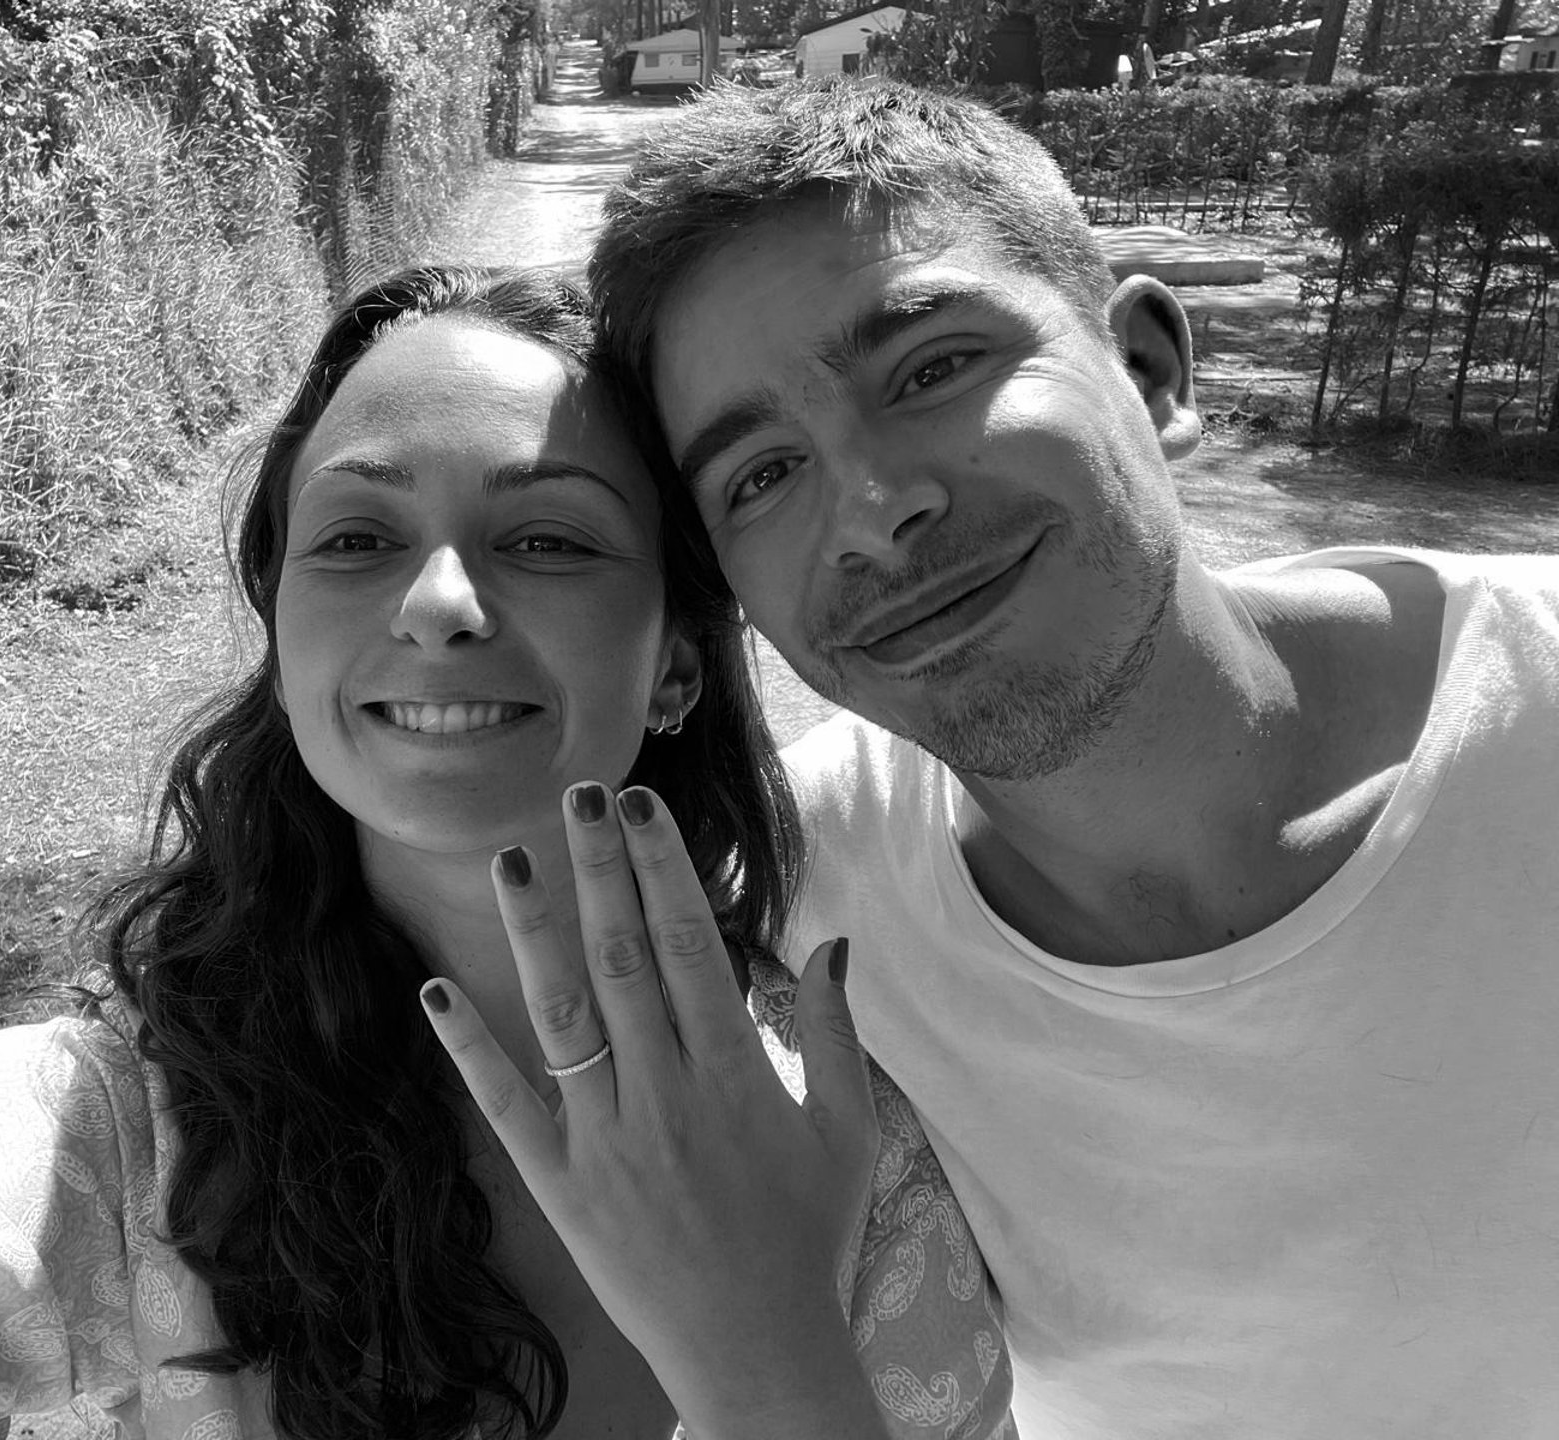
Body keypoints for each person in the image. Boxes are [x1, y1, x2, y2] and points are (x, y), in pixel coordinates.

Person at [0, 265, 1013, 1440]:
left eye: (547, 537)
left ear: (680, 663)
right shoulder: (114, 1131)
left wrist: (773, 1354)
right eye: (356, 537)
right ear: (287, 648)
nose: (437, 602)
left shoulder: (835, 1141)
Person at [429, 78, 1559, 1440]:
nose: (871, 510)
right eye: (761, 476)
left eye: (930, 371)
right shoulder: (786, 917)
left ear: (1149, 370)